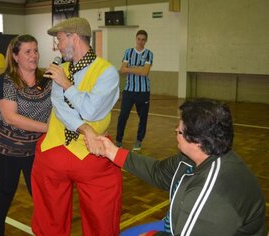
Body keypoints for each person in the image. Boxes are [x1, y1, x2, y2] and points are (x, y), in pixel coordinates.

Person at [91, 98, 266, 235]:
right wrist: (112, 151)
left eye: (179, 130)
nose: (175, 132)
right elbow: (157, 172)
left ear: (197, 141)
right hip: (179, 225)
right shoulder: (200, 156)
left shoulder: (211, 192)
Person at [31, 17, 123, 235]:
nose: (58, 45)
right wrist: (87, 129)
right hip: (60, 151)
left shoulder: (107, 72)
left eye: (60, 39)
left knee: (99, 215)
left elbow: (92, 110)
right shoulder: (59, 68)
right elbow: (60, 107)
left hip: (89, 155)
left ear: (73, 37)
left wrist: (66, 84)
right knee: (50, 216)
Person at [0, 34, 52, 236]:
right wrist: (47, 128)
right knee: (5, 192)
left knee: (40, 194)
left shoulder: (47, 79)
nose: (34, 55)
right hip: (4, 147)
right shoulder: (7, 80)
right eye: (28, 52)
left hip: (32, 148)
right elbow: (11, 117)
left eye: (36, 50)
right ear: (15, 56)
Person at [116, 30, 153, 151]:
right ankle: (118, 140)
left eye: (143, 39)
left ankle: (138, 140)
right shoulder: (128, 52)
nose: (140, 42)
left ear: (146, 41)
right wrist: (138, 69)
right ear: (135, 39)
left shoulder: (149, 54)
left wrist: (129, 68)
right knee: (123, 116)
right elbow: (122, 70)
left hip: (143, 92)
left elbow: (145, 72)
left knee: (143, 118)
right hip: (129, 91)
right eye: (139, 39)